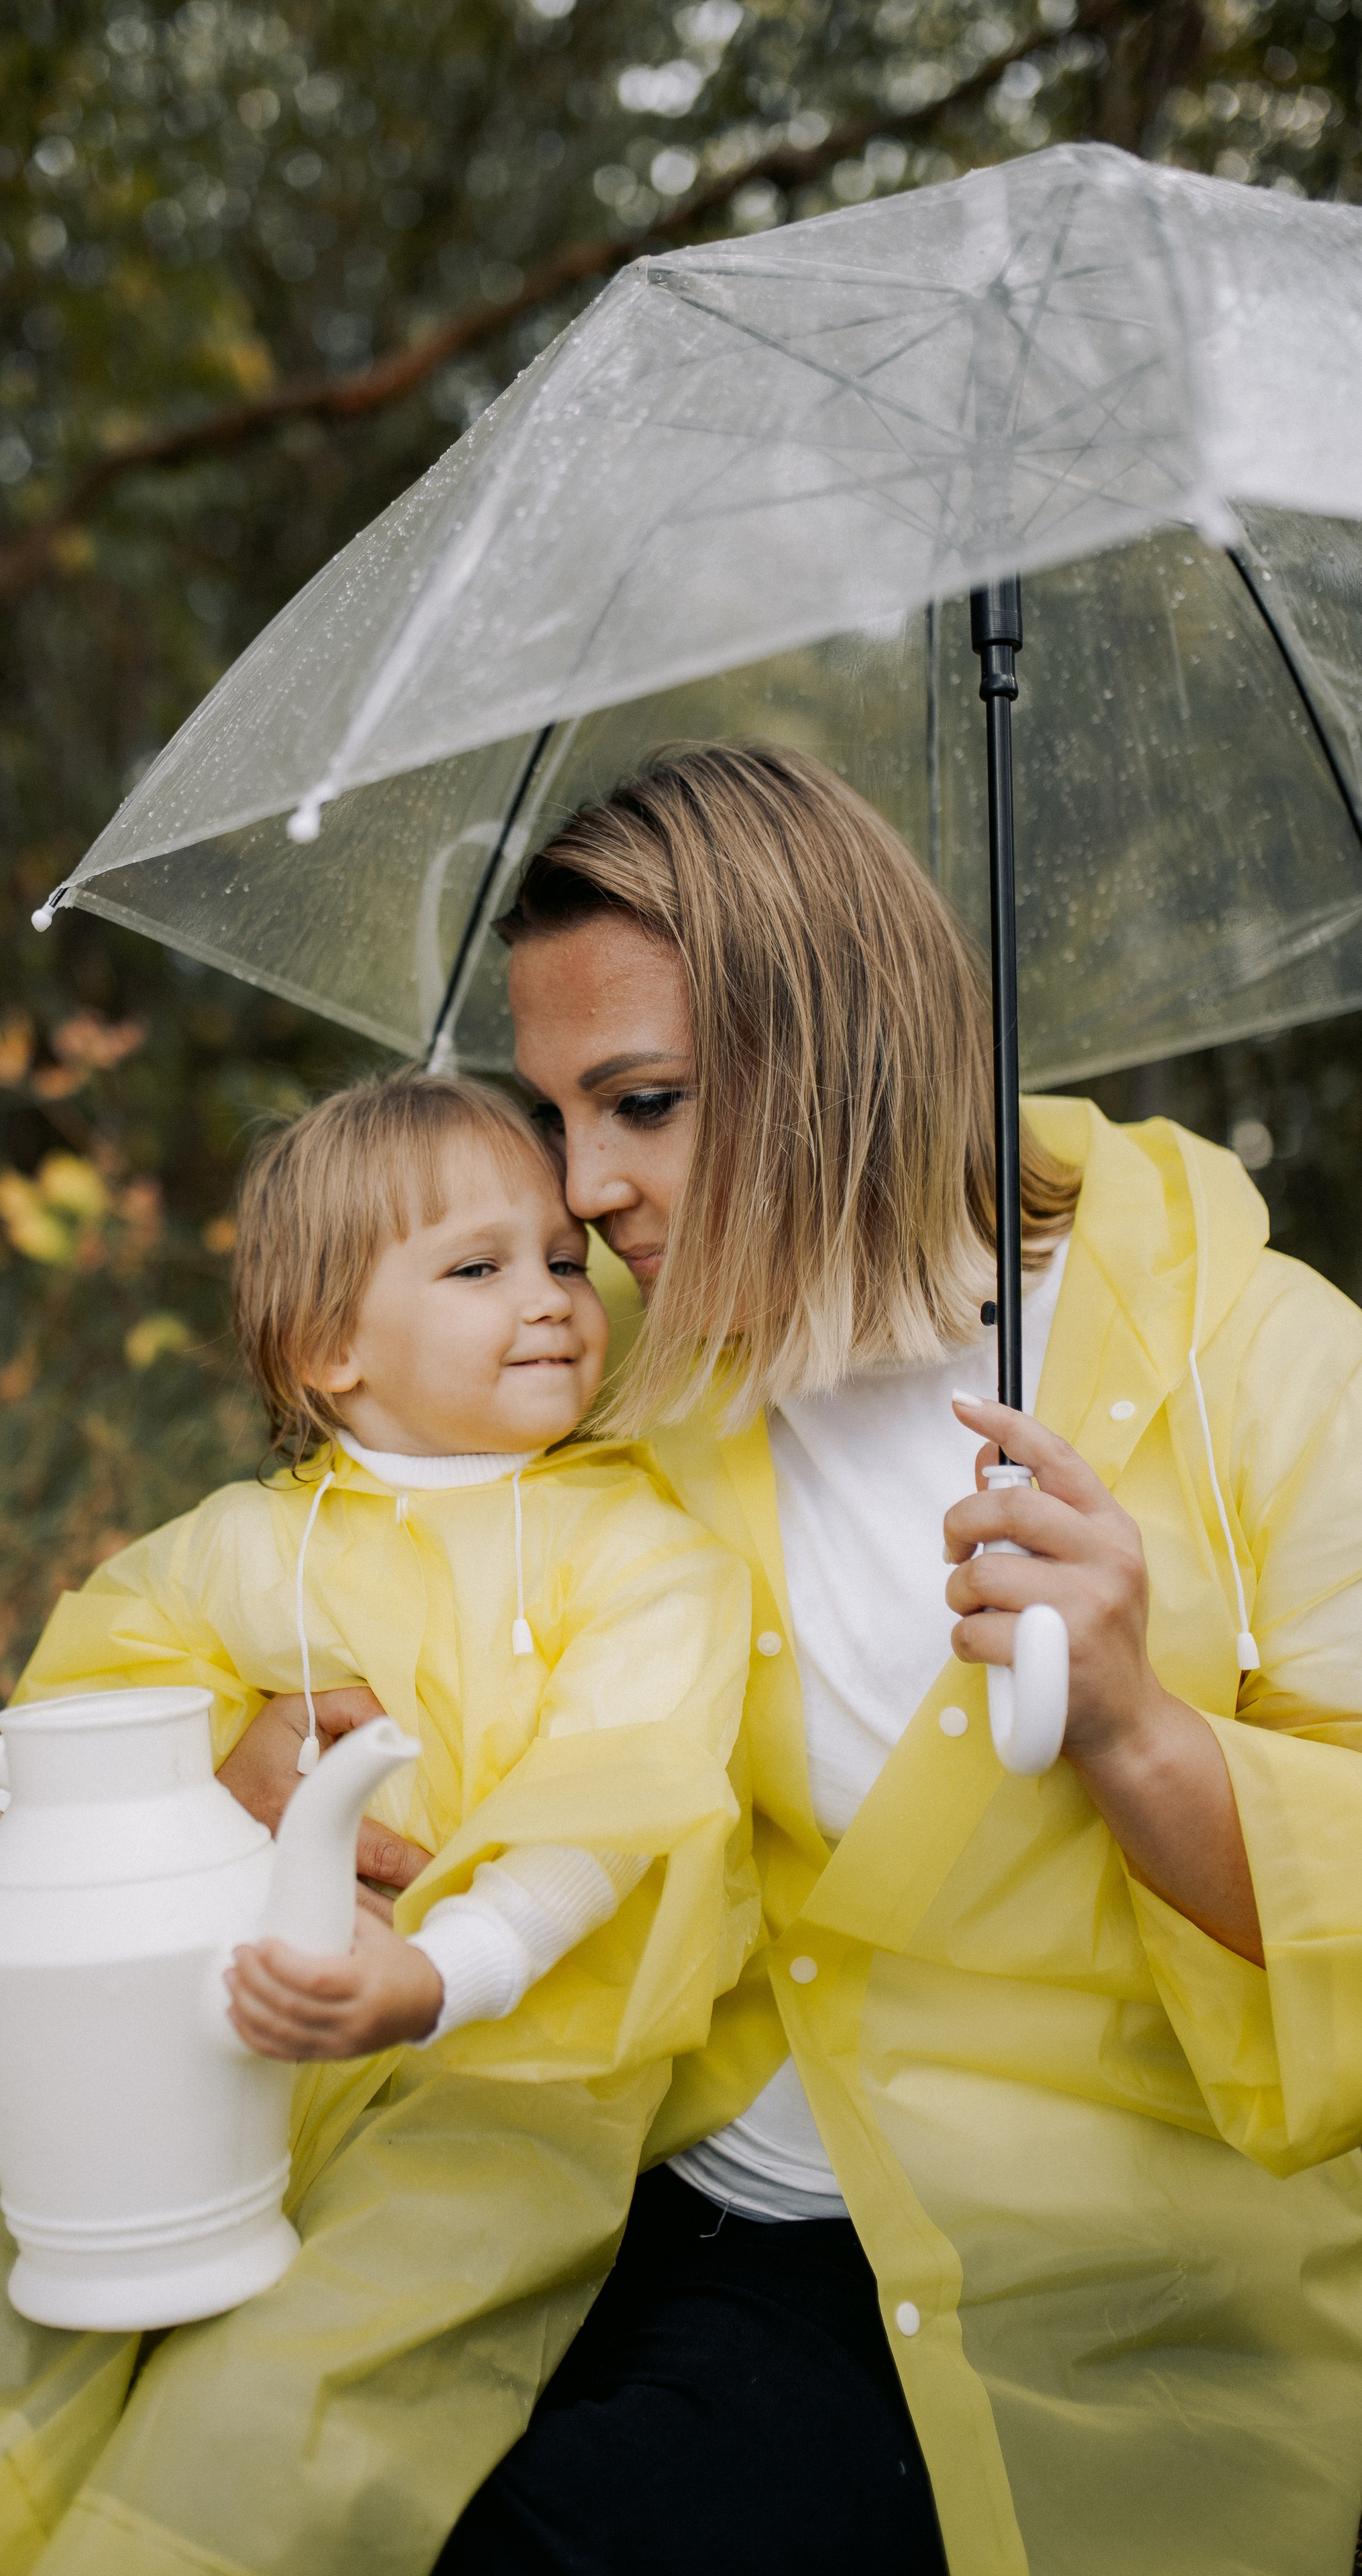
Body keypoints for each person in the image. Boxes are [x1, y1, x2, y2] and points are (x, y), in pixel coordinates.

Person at [104, 741, 1362, 2576]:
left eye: (643, 1102)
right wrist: (262, 1750)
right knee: (175, 2427)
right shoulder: (620, 1345)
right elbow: (362, 1544)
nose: (584, 1188)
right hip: (626, 2157)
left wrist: (1134, 1726)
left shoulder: (1262, 1363)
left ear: (846, 1050)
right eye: (558, 1116)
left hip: (1047, 2265)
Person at [0, 1071, 754, 2576]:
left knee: (300, 2369)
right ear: (328, 1347)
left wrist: (443, 1972)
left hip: (503, 2063)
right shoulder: (247, 1548)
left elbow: (612, 1805)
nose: (551, 1296)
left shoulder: (640, 1552)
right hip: (205, 2023)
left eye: (561, 1257)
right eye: (478, 1269)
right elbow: (100, 1716)